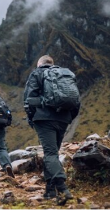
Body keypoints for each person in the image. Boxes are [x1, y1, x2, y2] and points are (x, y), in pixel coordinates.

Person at [23, 55, 80, 204]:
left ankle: (62, 187)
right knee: (53, 153)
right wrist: (68, 118)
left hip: (44, 119)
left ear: (39, 64)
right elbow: (76, 101)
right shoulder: (64, 74)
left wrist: (32, 117)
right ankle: (49, 191)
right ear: (51, 63)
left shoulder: (37, 73)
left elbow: (29, 99)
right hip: (63, 119)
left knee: (49, 153)